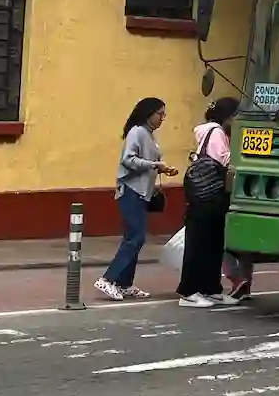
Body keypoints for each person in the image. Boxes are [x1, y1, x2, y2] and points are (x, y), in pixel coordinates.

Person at [95, 98, 176, 302]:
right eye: (160, 114)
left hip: (142, 193)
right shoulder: (137, 132)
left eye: (164, 115)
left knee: (134, 238)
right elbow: (128, 160)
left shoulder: (149, 134)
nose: (162, 118)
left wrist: (162, 168)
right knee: (136, 238)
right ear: (149, 113)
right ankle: (107, 279)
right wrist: (154, 165)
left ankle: (124, 284)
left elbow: (147, 162)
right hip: (131, 191)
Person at [177, 97, 237, 308]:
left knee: (213, 244)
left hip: (209, 198)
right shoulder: (216, 131)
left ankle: (211, 289)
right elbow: (225, 160)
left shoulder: (212, 132)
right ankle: (188, 292)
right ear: (228, 116)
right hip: (208, 196)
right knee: (200, 244)